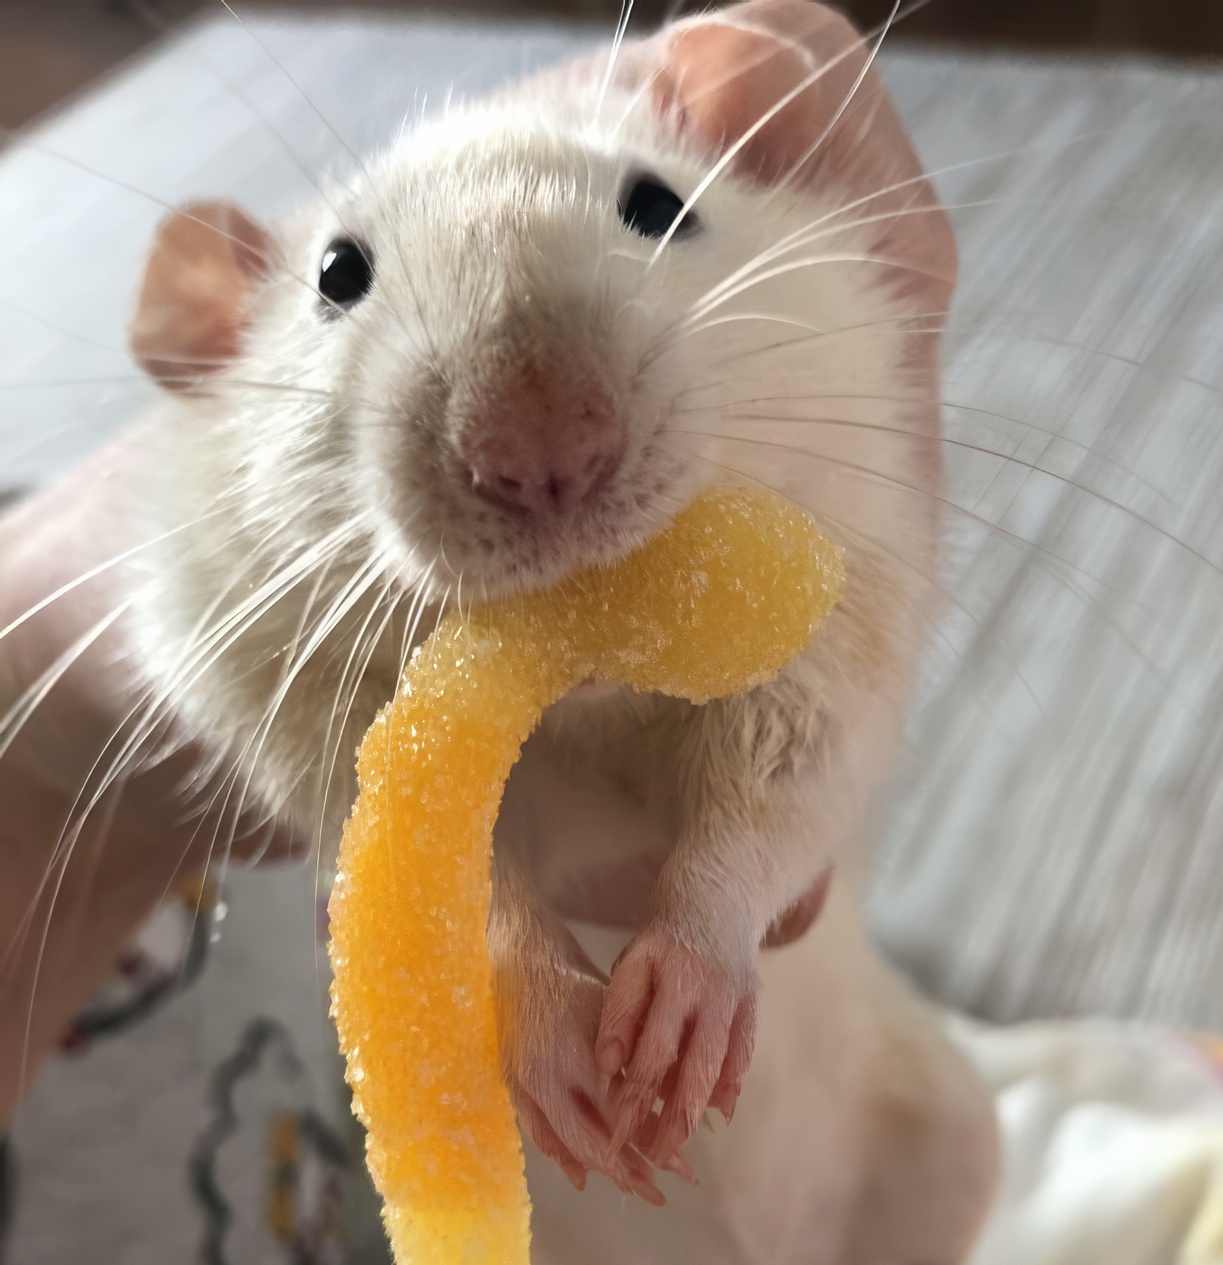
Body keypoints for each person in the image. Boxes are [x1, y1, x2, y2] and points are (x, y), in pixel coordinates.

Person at [0, 0, 953, 1134]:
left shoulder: (823, 361)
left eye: (654, 208)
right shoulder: (199, 543)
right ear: (210, 323)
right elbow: (331, 754)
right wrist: (504, 937)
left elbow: (828, 696)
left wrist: (718, 903)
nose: (548, 453)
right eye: (342, 279)